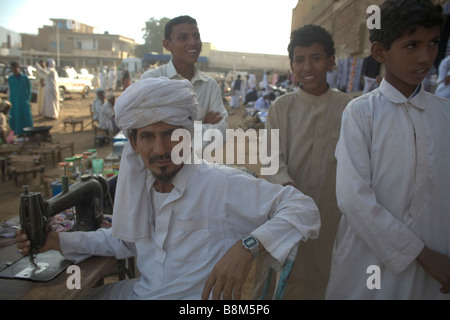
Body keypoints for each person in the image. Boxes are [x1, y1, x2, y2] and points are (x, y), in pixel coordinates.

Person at [16, 76, 321, 300]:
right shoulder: (142, 188)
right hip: (141, 293)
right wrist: (58, 242)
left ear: (187, 135)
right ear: (134, 143)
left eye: (170, 134)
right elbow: (125, 241)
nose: (161, 148)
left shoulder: (220, 184)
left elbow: (302, 208)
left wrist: (247, 248)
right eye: (148, 136)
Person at [326, 0, 450, 300]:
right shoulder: (361, 113)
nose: (425, 57)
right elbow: (353, 199)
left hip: (439, 266)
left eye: (433, 43)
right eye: (412, 45)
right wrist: (422, 255)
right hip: (370, 262)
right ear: (380, 52)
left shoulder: (445, 113)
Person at [261, 25, 353, 300]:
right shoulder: (281, 107)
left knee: (328, 277)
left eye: (316, 57)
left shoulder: (349, 108)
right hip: (288, 210)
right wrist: (288, 188)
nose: (308, 66)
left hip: (333, 214)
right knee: (286, 280)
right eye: (299, 60)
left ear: (331, 61)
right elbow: (270, 159)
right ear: (291, 65)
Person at [141, 15, 228, 150]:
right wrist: (200, 126)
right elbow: (146, 130)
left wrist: (175, 131)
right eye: (183, 37)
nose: (193, 42)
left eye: (196, 36)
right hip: (160, 168)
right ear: (167, 45)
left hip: (200, 168)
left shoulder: (209, 85)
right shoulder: (151, 81)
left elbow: (221, 132)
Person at [7, 62, 33, 136]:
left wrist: (28, 99)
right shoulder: (10, 79)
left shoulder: (25, 78)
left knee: (25, 116)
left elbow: (29, 90)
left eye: (15, 68)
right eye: (12, 69)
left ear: (18, 68)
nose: (14, 70)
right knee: (15, 116)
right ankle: (17, 132)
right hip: (14, 101)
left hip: (23, 101)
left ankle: (28, 131)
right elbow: (9, 90)